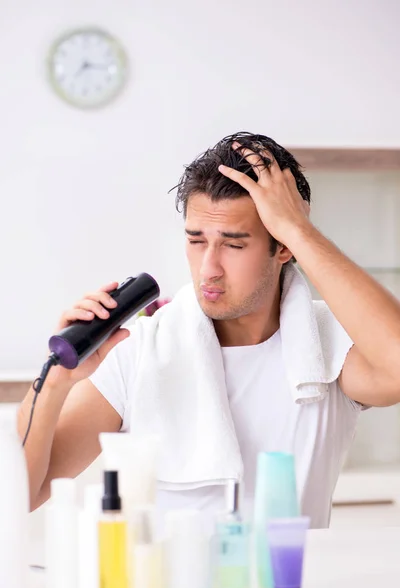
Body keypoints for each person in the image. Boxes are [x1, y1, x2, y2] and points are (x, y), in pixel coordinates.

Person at [19, 132, 400, 527]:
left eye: (234, 246)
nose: (209, 269)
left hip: (281, 584)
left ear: (283, 247)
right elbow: (21, 495)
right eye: (197, 241)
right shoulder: (139, 352)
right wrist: (56, 382)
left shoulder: (330, 349)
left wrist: (299, 230)